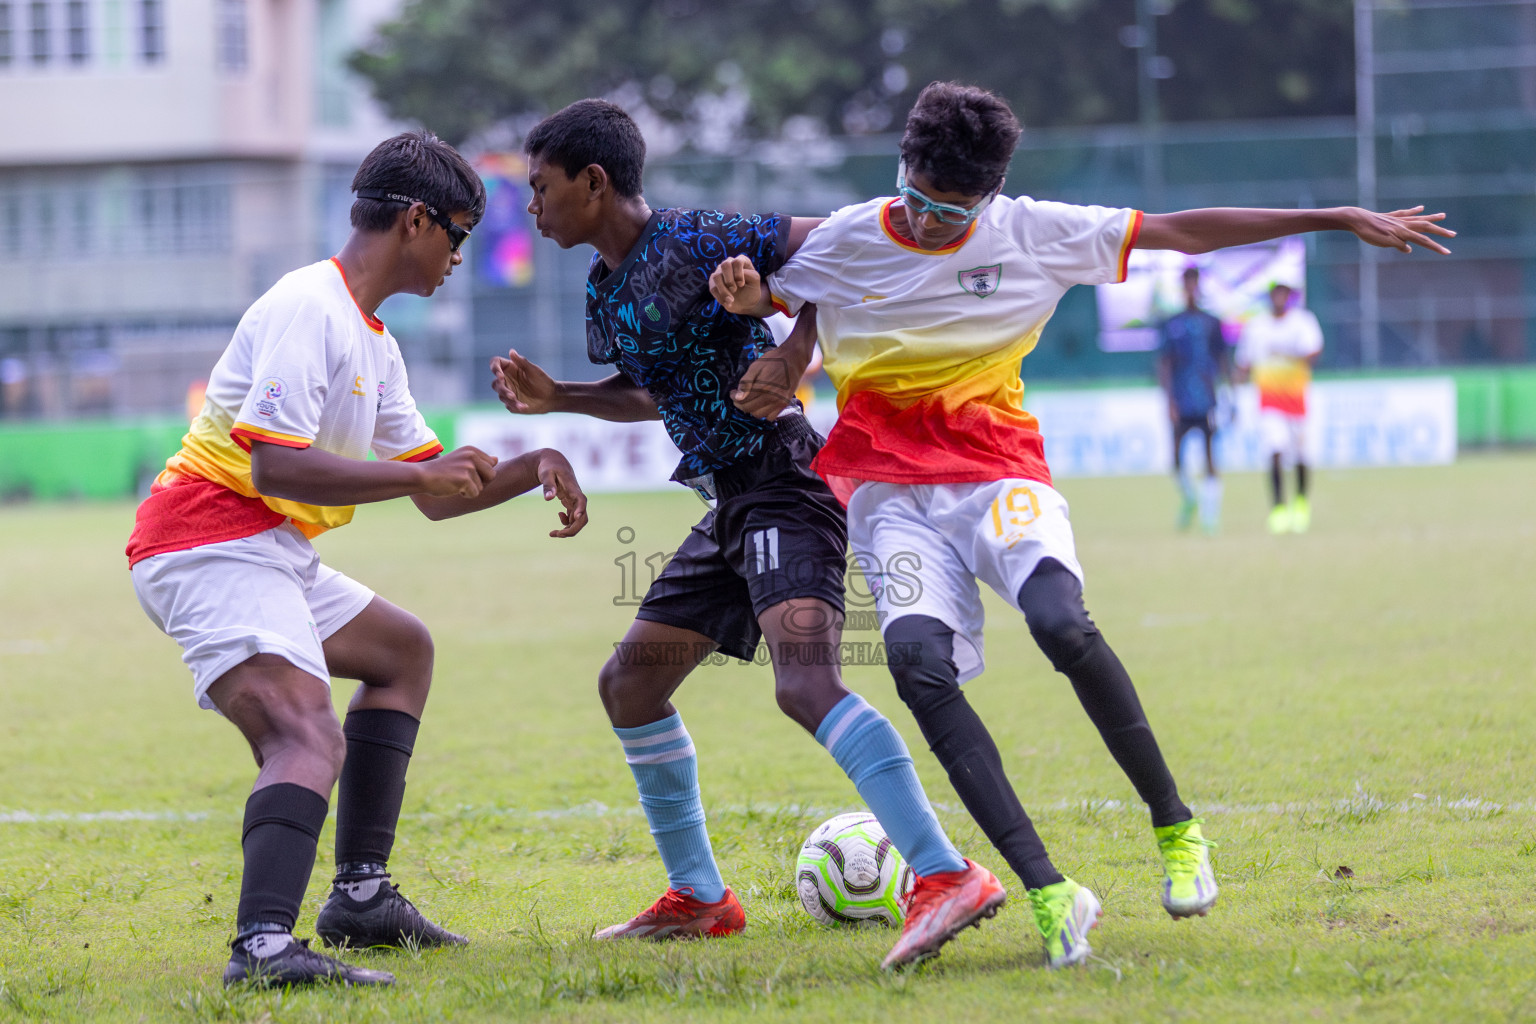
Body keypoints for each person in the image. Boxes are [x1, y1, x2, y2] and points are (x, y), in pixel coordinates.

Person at [709, 81, 1453, 968]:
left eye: (955, 212)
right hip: (889, 497)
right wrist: (751, 305)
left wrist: (1334, 217)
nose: (934, 224)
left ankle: (1176, 828)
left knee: (1062, 623)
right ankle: (1050, 890)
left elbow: (1183, 230)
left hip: (996, 474)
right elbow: (791, 311)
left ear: (990, 194)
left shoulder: (1034, 231)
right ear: (899, 170)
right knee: (915, 667)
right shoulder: (845, 237)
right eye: (917, 202)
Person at [490, 99, 1003, 971]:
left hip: (787, 483)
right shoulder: (605, 290)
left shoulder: (697, 236)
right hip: (731, 504)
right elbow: (655, 389)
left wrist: (797, 345)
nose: (531, 207)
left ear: (593, 180)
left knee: (805, 686)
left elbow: (843, 247)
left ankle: (945, 874)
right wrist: (564, 397)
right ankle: (700, 899)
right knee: (630, 686)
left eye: (539, 188)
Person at [126, 130, 589, 988]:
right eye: (457, 233)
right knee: (305, 731)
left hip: (266, 543)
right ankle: (262, 948)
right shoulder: (311, 305)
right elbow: (275, 466)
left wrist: (533, 469)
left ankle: (362, 898)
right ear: (416, 221)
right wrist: (419, 474)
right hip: (206, 536)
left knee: (401, 651)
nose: (458, 255)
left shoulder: (374, 339)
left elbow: (430, 489)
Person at [1235, 282, 1324, 533]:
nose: (1279, 297)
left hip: (1297, 400)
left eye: (1284, 292)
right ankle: (1278, 508)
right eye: (1275, 292)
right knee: (1274, 450)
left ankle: (1300, 502)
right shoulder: (1256, 327)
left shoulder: (1302, 322)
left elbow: (1314, 353)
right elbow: (1243, 363)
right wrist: (1234, 386)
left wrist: (1291, 353)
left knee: (1302, 456)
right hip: (1269, 401)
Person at [1157, 267, 1230, 533]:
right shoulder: (1172, 323)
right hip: (1181, 397)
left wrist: (1229, 395)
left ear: (1199, 286)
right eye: (1187, 283)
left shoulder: (1211, 322)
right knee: (1175, 459)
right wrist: (1169, 401)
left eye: (1194, 283)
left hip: (1207, 398)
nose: (1191, 288)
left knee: (1211, 457)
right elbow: (1164, 362)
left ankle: (1211, 519)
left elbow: (1222, 360)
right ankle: (1190, 498)